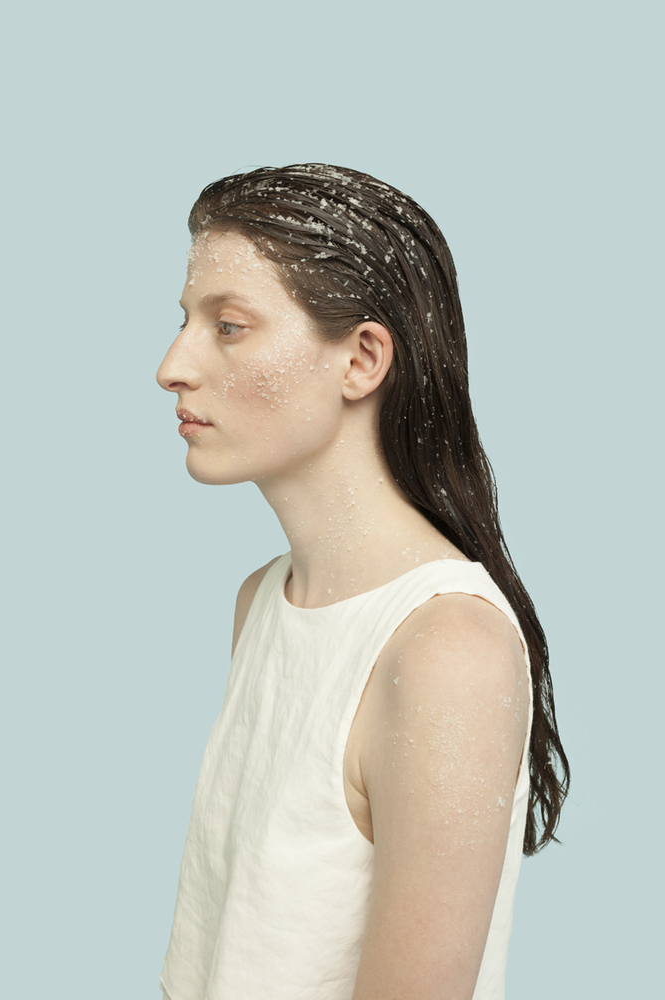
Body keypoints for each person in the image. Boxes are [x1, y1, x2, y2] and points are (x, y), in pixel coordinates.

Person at [155, 163, 569, 1000]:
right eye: (185, 322)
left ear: (362, 358)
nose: (171, 367)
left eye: (228, 326)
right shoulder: (262, 602)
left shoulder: (448, 651)